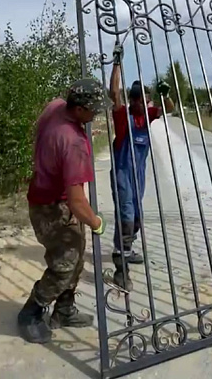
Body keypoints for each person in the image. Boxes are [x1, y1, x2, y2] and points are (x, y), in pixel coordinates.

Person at [18, 78, 110, 344]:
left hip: (47, 194)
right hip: (51, 207)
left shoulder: (55, 106)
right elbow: (77, 201)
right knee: (63, 265)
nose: (97, 113)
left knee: (76, 255)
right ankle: (31, 312)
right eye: (94, 108)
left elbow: (42, 132)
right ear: (79, 109)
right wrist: (96, 222)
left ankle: (64, 309)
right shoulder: (73, 143)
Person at [109, 43, 174, 289]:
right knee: (125, 215)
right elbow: (113, 93)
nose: (148, 104)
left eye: (149, 101)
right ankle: (120, 266)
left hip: (139, 177)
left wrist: (165, 95)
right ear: (134, 101)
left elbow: (169, 109)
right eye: (144, 101)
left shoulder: (147, 116)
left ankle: (127, 248)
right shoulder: (123, 116)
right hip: (123, 175)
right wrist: (117, 63)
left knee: (135, 217)